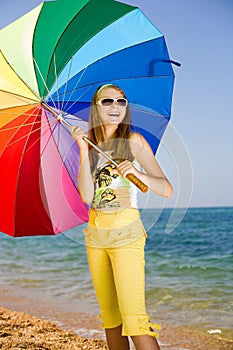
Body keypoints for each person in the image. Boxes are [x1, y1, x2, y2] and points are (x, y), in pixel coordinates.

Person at [71, 84, 173, 350]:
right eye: (107, 101)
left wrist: (138, 174)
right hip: (95, 236)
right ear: (96, 108)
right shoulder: (91, 148)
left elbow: (166, 189)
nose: (115, 106)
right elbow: (85, 196)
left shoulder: (134, 142)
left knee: (135, 320)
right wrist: (83, 150)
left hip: (126, 234)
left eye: (121, 101)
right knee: (112, 321)